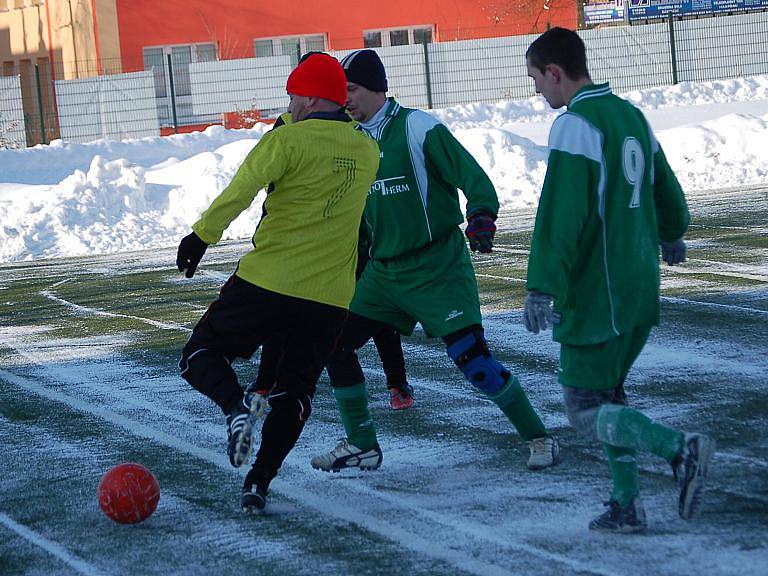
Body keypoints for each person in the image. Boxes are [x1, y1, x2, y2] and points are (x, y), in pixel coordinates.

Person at [311, 49, 560, 473]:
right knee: (331, 344)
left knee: (473, 361)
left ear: (375, 88)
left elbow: (473, 176)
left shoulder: (417, 126)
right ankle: (362, 444)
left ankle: (539, 437)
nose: (344, 98)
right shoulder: (349, 139)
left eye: (350, 88)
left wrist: (481, 214)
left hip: (436, 267)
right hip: (383, 274)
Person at [522, 27, 715, 533]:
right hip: (637, 290)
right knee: (610, 398)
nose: (537, 91)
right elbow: (664, 184)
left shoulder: (576, 124)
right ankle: (626, 505)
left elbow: (560, 215)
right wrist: (673, 232)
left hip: (596, 295)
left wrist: (542, 283)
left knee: (584, 408)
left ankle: (681, 450)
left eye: (536, 79)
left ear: (555, 73)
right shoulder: (631, 115)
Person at [176, 53, 380, 512]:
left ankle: (236, 407)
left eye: (293, 95)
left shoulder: (287, 141)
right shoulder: (367, 149)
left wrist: (201, 236)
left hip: (267, 281)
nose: (288, 104)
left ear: (308, 97)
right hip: (329, 296)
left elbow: (242, 188)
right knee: (295, 392)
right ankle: (259, 483)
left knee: (198, 355)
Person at [248, 108, 414, 411]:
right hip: (297, 237)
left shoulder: (353, 126)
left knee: (374, 309)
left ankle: (397, 382)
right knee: (282, 308)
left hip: (351, 234)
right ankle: (265, 382)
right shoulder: (286, 125)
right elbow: (268, 178)